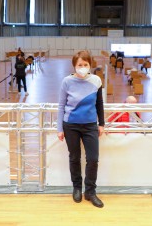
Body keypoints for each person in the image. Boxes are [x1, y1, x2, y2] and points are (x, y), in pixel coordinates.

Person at [57, 50, 105, 208]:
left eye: (85, 64)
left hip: (90, 125)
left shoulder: (96, 80)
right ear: (74, 66)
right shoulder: (66, 81)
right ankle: (77, 188)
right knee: (74, 158)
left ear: (90, 65)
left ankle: (90, 191)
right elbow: (61, 106)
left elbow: (99, 104)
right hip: (70, 125)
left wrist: (101, 124)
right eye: (80, 65)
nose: (83, 67)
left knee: (92, 159)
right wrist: (59, 128)